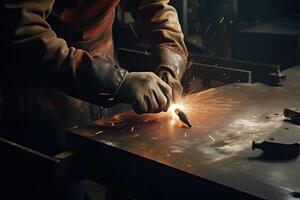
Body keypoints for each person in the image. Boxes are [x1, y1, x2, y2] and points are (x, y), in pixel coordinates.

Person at [0, 0, 188, 199]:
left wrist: (170, 61)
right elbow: (24, 31)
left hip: (105, 72)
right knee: (56, 185)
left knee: (120, 173)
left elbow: (156, 7)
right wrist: (117, 82)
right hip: (44, 88)